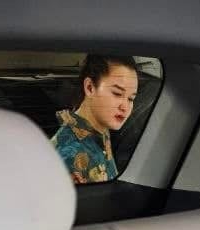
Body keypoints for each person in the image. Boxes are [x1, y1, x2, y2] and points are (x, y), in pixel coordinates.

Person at [52, 55, 138, 184]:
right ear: (90, 87)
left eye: (131, 99)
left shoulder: (101, 130)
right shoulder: (68, 155)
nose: (125, 107)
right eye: (117, 93)